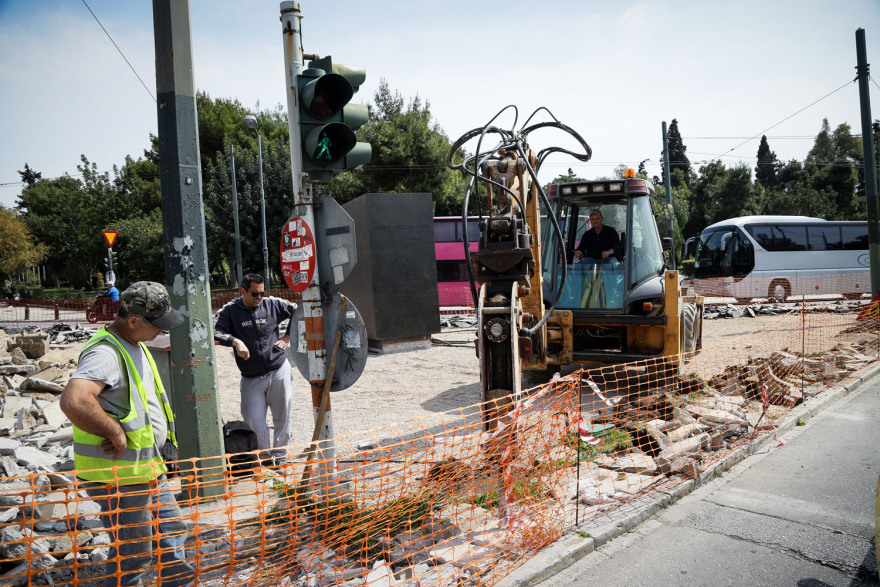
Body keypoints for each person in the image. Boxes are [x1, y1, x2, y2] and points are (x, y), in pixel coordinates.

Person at [60, 281, 196, 587]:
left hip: (145, 469)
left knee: (172, 532)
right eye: (157, 325)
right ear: (134, 321)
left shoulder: (135, 344)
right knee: (134, 553)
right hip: (118, 477)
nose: (161, 331)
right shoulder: (106, 353)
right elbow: (74, 400)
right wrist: (114, 432)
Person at [214, 273, 296, 462]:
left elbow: (300, 312)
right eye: (254, 294)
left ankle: (281, 456)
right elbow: (216, 331)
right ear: (242, 291)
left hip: (278, 370)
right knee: (254, 421)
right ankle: (265, 458)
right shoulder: (230, 310)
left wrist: (287, 337)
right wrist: (235, 342)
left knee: (282, 417)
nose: (259, 298)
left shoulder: (272, 304)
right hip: (250, 377)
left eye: (262, 293)